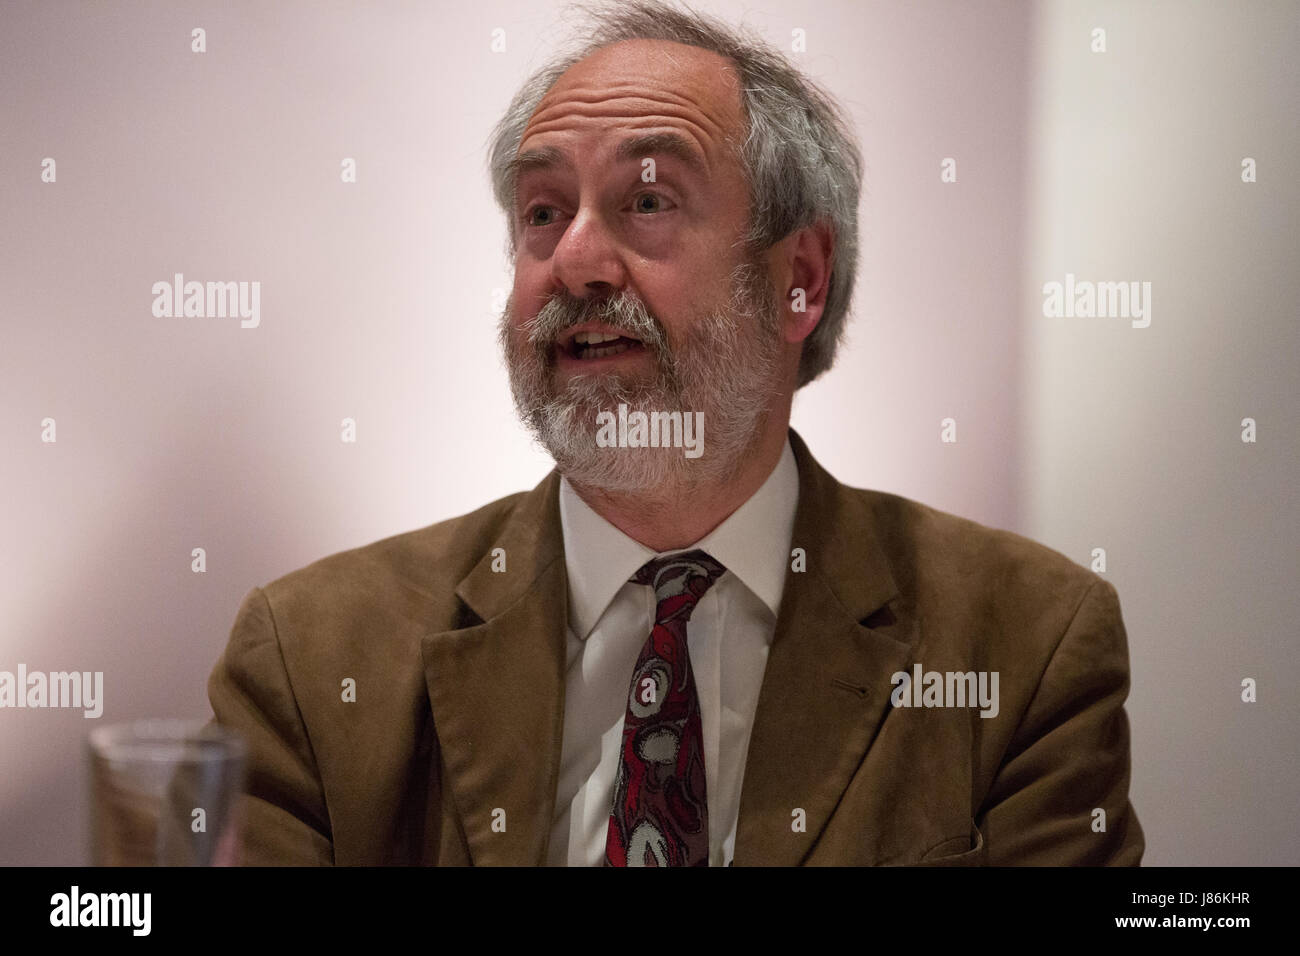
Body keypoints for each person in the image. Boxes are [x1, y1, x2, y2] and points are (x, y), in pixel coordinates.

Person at [207, 0, 1143, 866]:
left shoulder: (1022, 648)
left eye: (646, 201)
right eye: (542, 212)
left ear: (799, 279)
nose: (573, 258)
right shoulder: (313, 660)